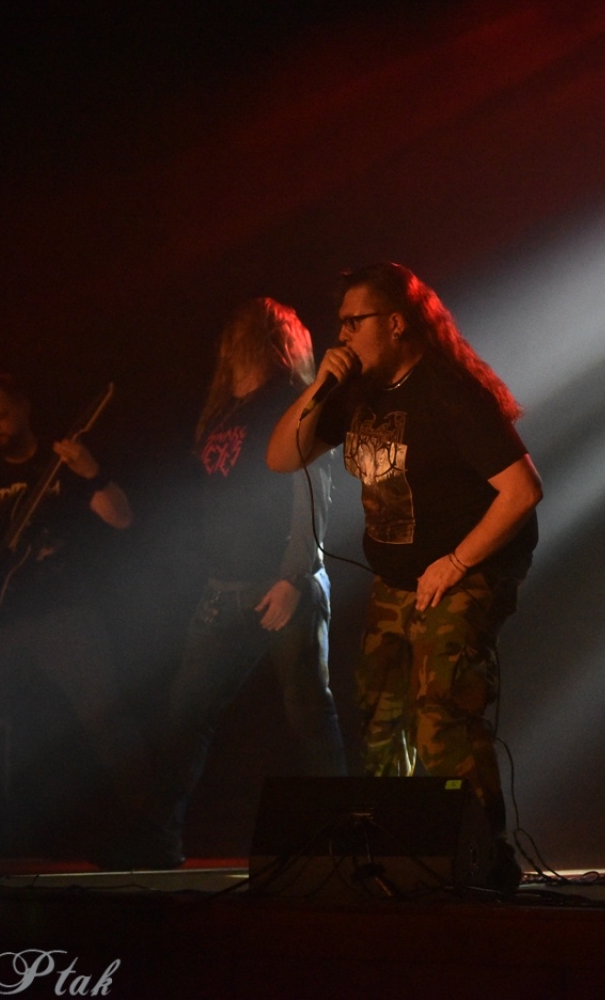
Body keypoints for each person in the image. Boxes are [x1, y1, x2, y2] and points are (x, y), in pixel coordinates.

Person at [267, 263, 541, 842]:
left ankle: (481, 861)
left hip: (463, 570)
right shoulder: (355, 393)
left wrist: (458, 562)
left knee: (441, 712)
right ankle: (399, 855)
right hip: (396, 580)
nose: (341, 334)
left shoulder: (449, 393)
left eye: (353, 322)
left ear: (395, 323)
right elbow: (281, 458)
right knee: (381, 717)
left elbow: (522, 491)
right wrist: (319, 387)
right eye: (338, 323)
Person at [0, 375, 166, 865]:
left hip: (65, 613)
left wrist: (91, 473)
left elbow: (122, 518)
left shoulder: (60, 462)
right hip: (0, 619)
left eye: (0, 416)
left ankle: (150, 828)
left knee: (104, 717)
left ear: (22, 408)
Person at [155, 299, 347, 864]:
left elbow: (312, 492)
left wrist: (294, 575)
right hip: (225, 590)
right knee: (185, 715)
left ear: (264, 342)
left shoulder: (289, 403)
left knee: (308, 712)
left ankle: (342, 842)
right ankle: (156, 840)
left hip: (282, 582)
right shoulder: (226, 412)